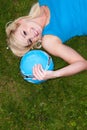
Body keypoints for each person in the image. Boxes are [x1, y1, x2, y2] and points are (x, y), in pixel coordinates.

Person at [6, 0, 87, 81]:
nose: (32, 35)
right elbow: (82, 63)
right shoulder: (49, 41)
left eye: (24, 33)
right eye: (30, 41)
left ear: (20, 21)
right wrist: (55, 74)